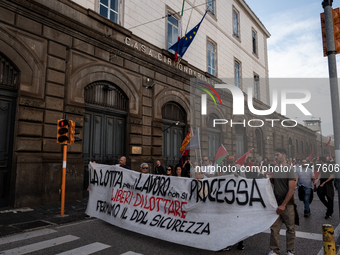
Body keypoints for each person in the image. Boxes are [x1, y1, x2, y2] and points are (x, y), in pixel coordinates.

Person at [268, 148, 296, 255]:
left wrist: (283, 205)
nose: (275, 157)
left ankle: (290, 251)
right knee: (274, 229)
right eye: (274, 155)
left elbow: (291, 189)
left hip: (287, 205)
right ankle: (275, 250)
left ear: (284, 155)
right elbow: (273, 183)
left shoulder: (289, 169)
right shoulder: (275, 169)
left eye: (277, 155)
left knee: (290, 228)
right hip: (276, 203)